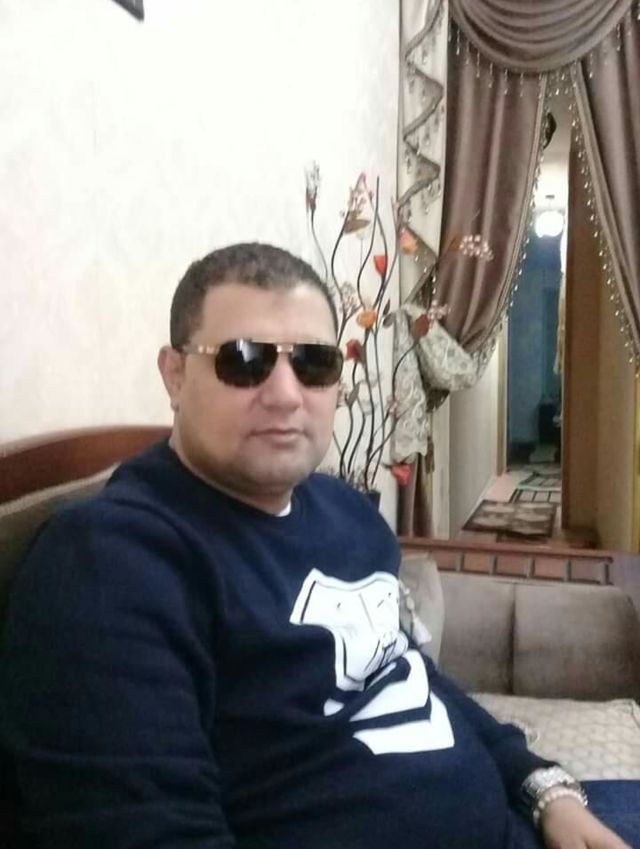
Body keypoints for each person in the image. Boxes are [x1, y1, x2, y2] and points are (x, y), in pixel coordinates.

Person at [0, 243, 632, 849]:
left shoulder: (343, 511)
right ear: (175, 374)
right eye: (243, 360)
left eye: (313, 363)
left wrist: (541, 787)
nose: (285, 394)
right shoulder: (110, 566)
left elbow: (413, 678)